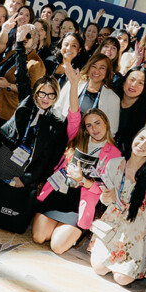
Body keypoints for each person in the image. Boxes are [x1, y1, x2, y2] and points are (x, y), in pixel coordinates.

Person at [0, 50, 78, 233]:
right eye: (42, 93)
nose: (45, 98)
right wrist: (19, 48)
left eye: (51, 95)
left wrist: (28, 179)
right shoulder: (27, 101)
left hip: (30, 166)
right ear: (36, 93)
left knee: (16, 193)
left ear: (56, 97)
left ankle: (10, 216)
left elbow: (49, 158)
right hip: (8, 155)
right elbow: (22, 75)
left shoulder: (57, 122)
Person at [33, 108, 125, 254]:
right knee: (39, 237)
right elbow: (74, 115)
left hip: (81, 202)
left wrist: (82, 180)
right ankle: (59, 227)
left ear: (106, 124)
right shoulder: (77, 139)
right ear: (85, 129)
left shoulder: (115, 154)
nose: (94, 128)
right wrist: (75, 84)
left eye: (97, 123)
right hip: (59, 192)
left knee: (57, 247)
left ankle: (74, 231)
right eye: (89, 125)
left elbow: (105, 189)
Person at [89, 126, 146, 284]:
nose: (142, 145)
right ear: (134, 137)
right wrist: (106, 197)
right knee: (98, 268)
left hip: (136, 230)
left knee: (122, 278)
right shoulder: (114, 163)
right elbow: (104, 199)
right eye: (141, 138)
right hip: (111, 225)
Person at [0, 23, 45, 122]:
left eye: (28, 35)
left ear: (35, 39)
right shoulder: (12, 53)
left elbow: (33, 92)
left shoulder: (36, 63)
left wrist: (8, 85)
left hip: (10, 111)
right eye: (21, 34)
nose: (24, 38)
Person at [55, 53, 121, 133]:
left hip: (88, 141)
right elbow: (57, 107)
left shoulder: (113, 99)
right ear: (89, 67)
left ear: (107, 72)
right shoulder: (74, 82)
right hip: (62, 133)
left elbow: (112, 130)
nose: (97, 71)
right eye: (94, 66)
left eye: (102, 68)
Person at [114, 66, 146, 157]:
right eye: (132, 80)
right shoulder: (112, 98)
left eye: (140, 83)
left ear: (145, 87)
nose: (134, 85)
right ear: (124, 80)